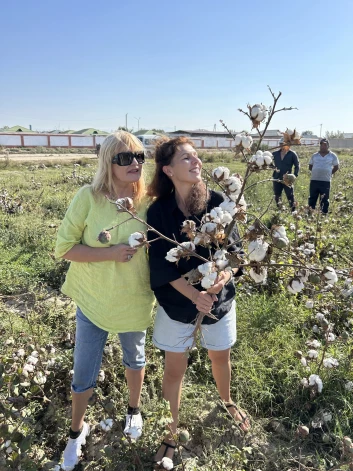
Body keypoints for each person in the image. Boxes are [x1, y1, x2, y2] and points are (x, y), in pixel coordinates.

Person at [146, 137, 250, 466]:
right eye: (186, 158)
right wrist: (194, 295)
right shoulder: (158, 212)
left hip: (217, 305)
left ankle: (227, 401)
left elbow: (235, 257)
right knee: (174, 370)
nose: (196, 162)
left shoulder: (218, 202)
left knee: (221, 358)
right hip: (177, 306)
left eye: (196, 156)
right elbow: (161, 267)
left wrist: (217, 285)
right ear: (168, 169)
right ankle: (171, 432)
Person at [55, 131, 155, 471]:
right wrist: (110, 253)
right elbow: (64, 247)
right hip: (94, 300)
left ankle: (133, 410)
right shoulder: (89, 197)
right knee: (84, 370)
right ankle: (75, 431)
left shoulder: (150, 201)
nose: (135, 163)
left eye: (140, 156)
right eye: (125, 158)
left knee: (135, 359)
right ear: (108, 163)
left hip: (134, 299)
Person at [308, 138, 339, 214]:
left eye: (325, 145)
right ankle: (310, 213)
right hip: (314, 180)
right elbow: (310, 166)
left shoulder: (332, 156)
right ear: (320, 146)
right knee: (312, 197)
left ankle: (323, 214)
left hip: (326, 181)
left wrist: (329, 173)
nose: (323, 147)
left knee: (325, 198)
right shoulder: (314, 155)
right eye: (322, 145)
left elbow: (336, 167)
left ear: (328, 146)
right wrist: (317, 171)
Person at [272, 138, 300, 211]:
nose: (282, 146)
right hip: (276, 177)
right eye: (280, 144)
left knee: (290, 196)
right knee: (277, 195)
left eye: (283, 144)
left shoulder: (292, 154)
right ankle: (280, 210)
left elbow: (297, 165)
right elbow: (270, 163)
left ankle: (293, 211)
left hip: (287, 178)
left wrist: (294, 175)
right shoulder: (275, 154)